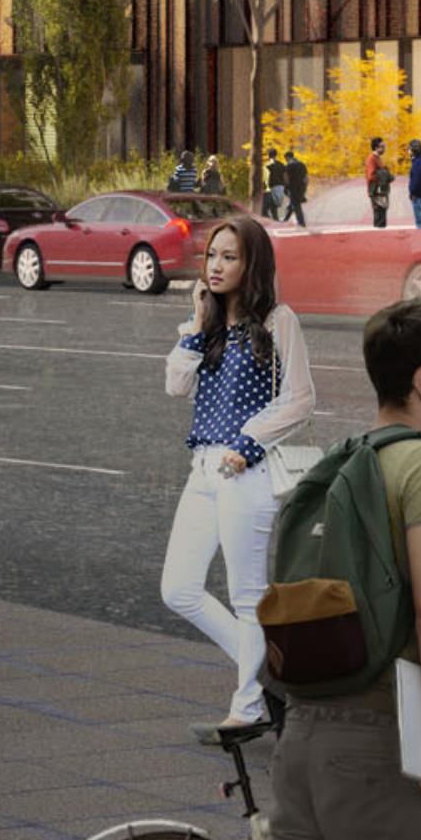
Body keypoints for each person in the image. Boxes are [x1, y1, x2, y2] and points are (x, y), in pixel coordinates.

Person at [161, 211, 291, 730]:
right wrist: (196, 323)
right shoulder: (207, 328)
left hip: (246, 471)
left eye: (229, 257)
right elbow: (175, 385)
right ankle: (271, 676)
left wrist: (248, 444)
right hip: (202, 471)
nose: (216, 266)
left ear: (252, 264)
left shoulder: (279, 322)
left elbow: (300, 399)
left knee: (247, 596)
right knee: (178, 589)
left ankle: (248, 705)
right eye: (212, 255)